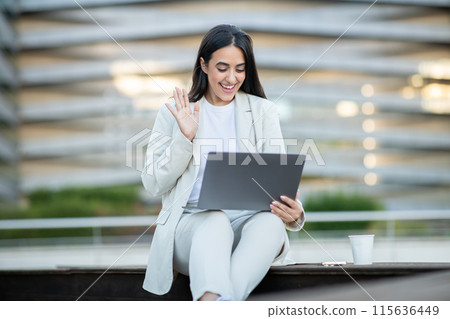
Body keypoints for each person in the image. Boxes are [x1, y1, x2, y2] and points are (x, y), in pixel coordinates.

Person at [141, 24, 305, 301]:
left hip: (247, 226)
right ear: (203, 65)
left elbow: (278, 181)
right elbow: (153, 184)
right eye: (222, 67)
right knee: (214, 220)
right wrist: (185, 138)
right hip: (191, 227)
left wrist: (295, 213)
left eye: (240, 69)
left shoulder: (263, 111)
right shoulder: (173, 112)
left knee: (271, 225)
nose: (231, 78)